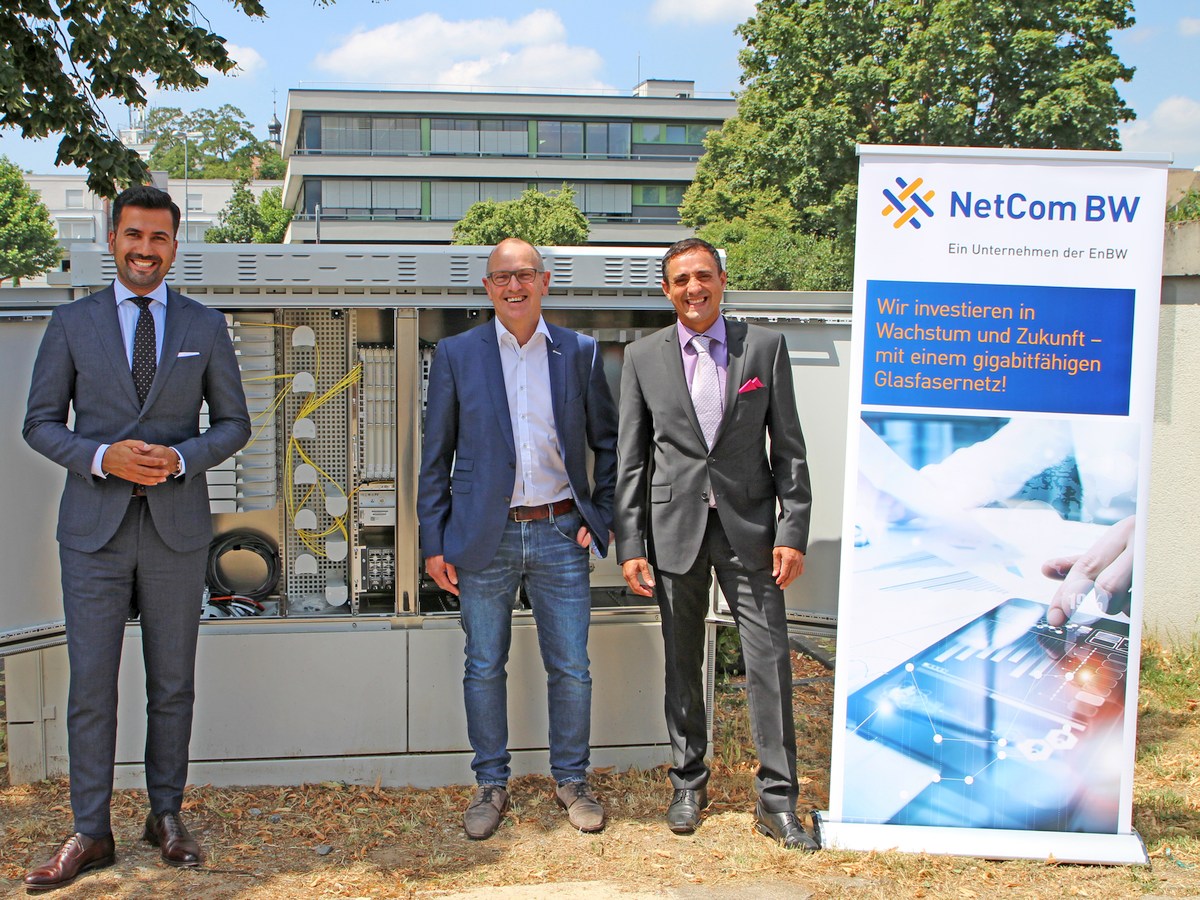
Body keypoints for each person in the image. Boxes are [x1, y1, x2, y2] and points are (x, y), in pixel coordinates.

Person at [22, 185, 251, 890]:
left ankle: (165, 815)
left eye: (158, 238)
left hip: (175, 530)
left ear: (174, 247)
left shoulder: (205, 325)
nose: (144, 249)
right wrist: (102, 457)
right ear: (112, 239)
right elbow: (40, 423)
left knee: (172, 683)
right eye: (133, 235)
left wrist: (180, 458)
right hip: (93, 533)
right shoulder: (71, 322)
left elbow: (234, 423)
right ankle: (90, 831)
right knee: (92, 686)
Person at [615, 237, 817, 850]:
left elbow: (790, 448)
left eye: (703, 276)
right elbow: (631, 460)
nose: (693, 288)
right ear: (666, 290)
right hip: (673, 531)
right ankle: (687, 784)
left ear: (722, 281)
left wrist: (793, 529)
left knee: (769, 662)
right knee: (682, 663)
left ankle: (777, 800)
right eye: (681, 280)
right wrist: (630, 543)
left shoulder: (764, 348)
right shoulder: (642, 357)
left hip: (750, 531)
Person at [417, 237, 618, 840]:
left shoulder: (579, 352)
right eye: (502, 277)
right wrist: (434, 542)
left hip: (560, 531)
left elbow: (608, 444)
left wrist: (600, 515)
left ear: (544, 281)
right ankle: (490, 783)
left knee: (572, 666)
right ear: (487, 287)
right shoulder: (457, 354)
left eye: (525, 274)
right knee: (483, 664)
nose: (514, 286)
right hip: (485, 535)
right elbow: (435, 456)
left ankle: (572, 781)